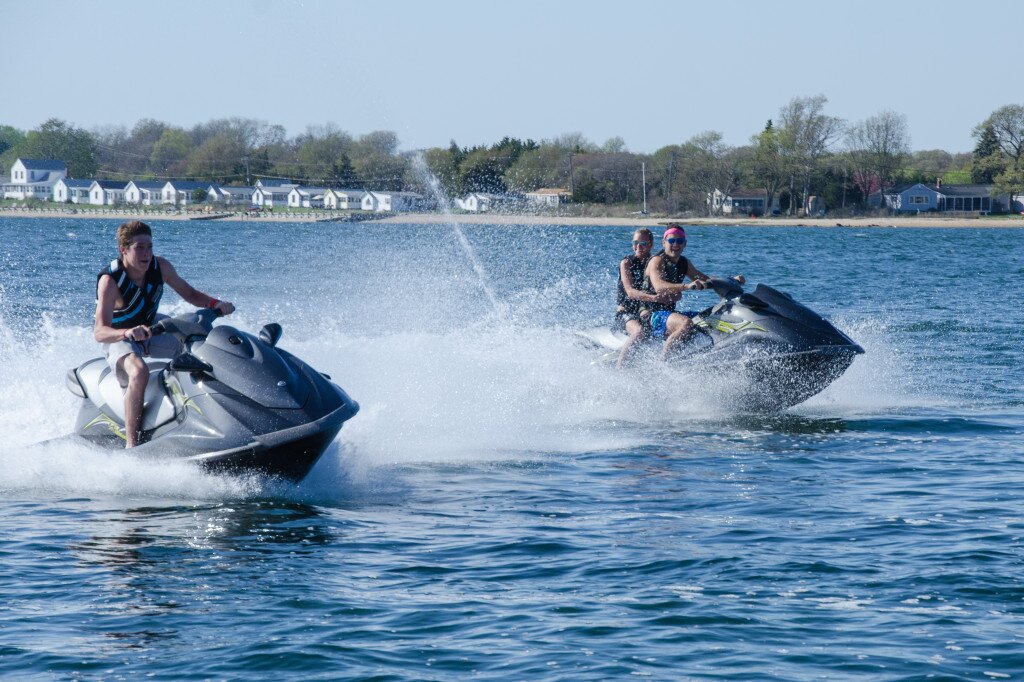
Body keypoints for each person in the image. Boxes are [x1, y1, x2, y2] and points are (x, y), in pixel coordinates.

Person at [94, 220, 235, 448]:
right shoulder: (110, 282)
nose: (146, 253)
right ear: (124, 250)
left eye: (149, 247)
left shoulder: (161, 267)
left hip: (151, 328)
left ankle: (219, 412)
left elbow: (190, 294)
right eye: (139, 247)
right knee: (139, 371)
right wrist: (128, 332)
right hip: (120, 336)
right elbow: (100, 332)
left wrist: (216, 304)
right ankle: (132, 444)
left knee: (200, 347)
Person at [642, 224, 744, 361]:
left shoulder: (684, 263)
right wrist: (686, 286)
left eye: (679, 241)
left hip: (669, 313)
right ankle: (662, 364)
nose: (675, 245)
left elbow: (704, 279)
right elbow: (659, 287)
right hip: (652, 314)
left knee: (711, 317)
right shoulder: (657, 260)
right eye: (672, 241)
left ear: (685, 244)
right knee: (686, 323)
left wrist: (731, 280)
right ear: (664, 242)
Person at [614, 228, 673, 368]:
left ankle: (668, 364)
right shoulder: (627, 262)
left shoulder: (655, 262)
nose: (638, 247)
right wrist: (654, 298)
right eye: (635, 243)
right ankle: (619, 368)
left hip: (646, 313)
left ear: (651, 245)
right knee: (639, 332)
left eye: (643, 243)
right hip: (626, 314)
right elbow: (630, 292)